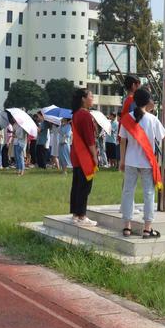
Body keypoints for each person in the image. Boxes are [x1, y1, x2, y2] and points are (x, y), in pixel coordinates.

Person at [119, 88, 165, 238]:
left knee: (128, 192)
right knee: (148, 193)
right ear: (148, 102)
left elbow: (122, 141)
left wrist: (122, 160)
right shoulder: (152, 119)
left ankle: (127, 227)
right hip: (147, 162)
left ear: (135, 101)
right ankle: (147, 228)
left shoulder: (127, 118)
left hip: (130, 160)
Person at [70, 88, 98, 226]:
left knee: (77, 184)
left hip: (76, 154)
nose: (92, 99)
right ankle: (82, 215)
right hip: (84, 155)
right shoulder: (85, 115)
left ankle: (75, 214)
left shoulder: (76, 114)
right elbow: (90, 139)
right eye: (91, 96)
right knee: (84, 187)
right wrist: (94, 155)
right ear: (83, 98)